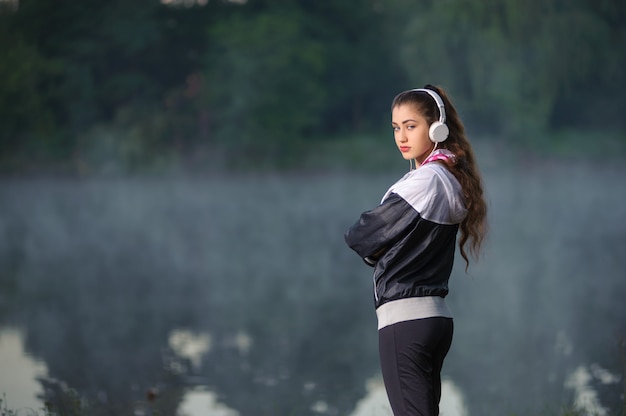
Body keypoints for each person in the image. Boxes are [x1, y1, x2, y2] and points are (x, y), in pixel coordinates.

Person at [344, 85, 487, 416]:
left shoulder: (426, 181)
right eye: (396, 127)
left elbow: (363, 236)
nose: (401, 136)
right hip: (434, 317)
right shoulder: (449, 177)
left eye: (411, 126)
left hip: (405, 320)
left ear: (436, 127)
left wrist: (377, 250)